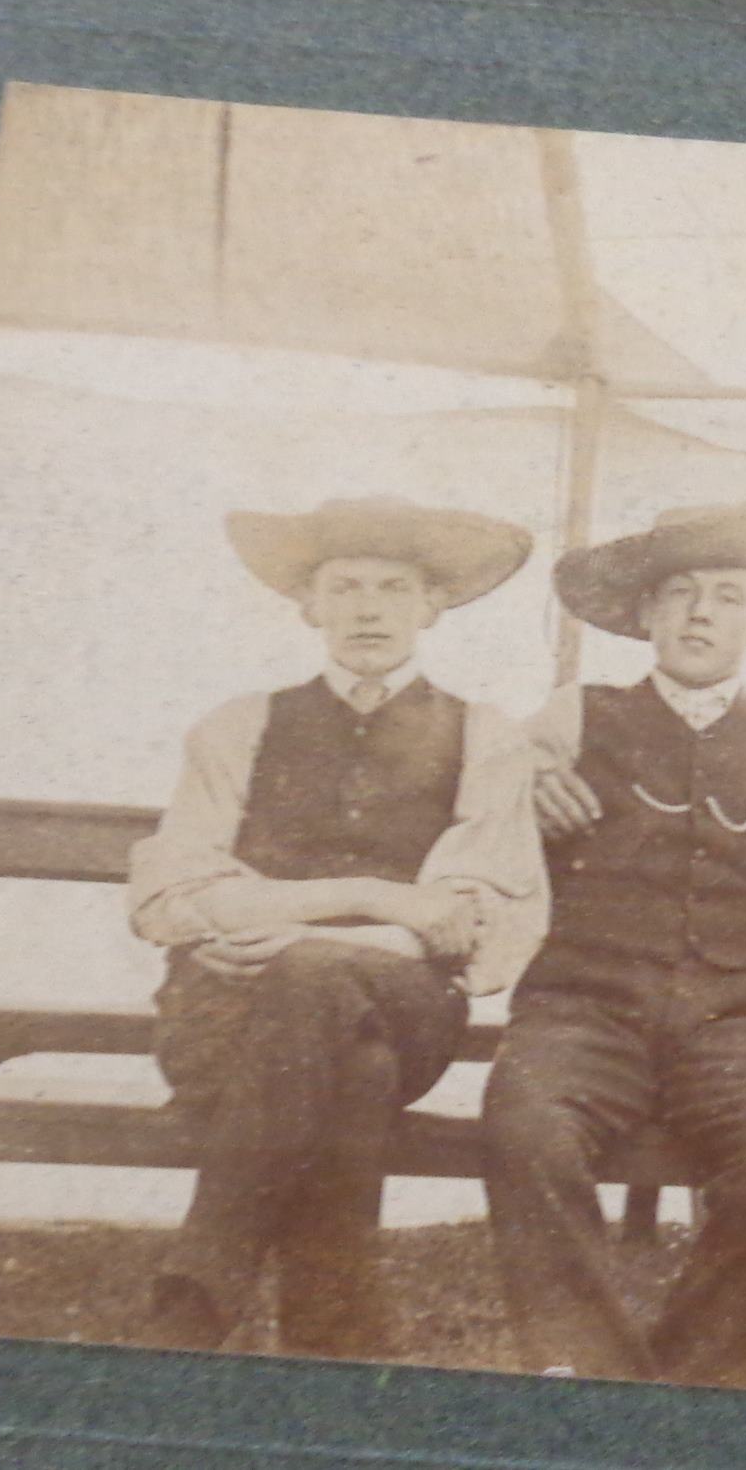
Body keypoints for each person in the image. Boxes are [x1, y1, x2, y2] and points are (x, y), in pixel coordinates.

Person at [125, 496, 545, 1360]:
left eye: (394, 588)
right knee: (354, 1069)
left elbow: (474, 923)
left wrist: (297, 926)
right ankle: (337, 1339)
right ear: (308, 605)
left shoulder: (486, 736)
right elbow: (170, 898)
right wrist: (380, 899)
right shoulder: (238, 726)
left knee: (315, 981)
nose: (367, 608)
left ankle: (198, 1296)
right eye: (343, 586)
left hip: (408, 1005)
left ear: (431, 607)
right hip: (224, 1020)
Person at [481, 497, 746, 1390]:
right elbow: (484, 780)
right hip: (585, 1009)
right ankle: (592, 1384)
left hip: (744, 1020)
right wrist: (523, 783)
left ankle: (687, 1389)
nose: (698, 613)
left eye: (727, 596)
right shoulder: (576, 714)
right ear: (645, 612)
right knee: (524, 1129)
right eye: (679, 592)